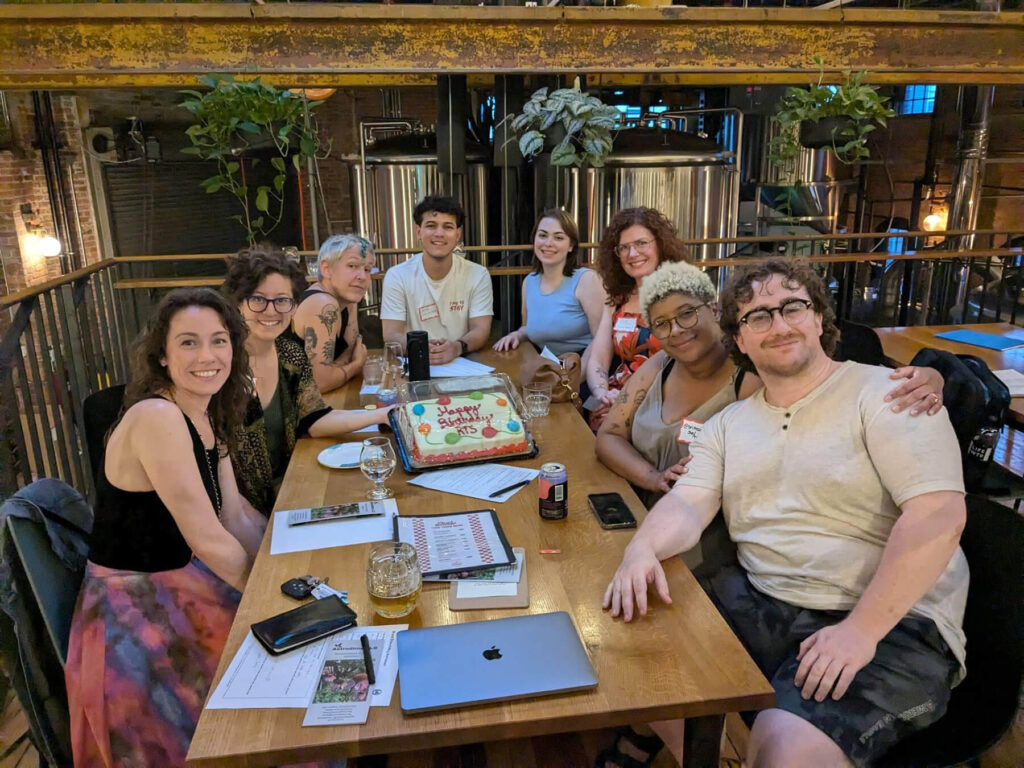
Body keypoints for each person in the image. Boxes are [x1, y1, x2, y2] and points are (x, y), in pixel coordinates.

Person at [603, 259, 968, 768]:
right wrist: (641, 548)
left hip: (892, 619)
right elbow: (687, 502)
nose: (777, 325)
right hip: (766, 599)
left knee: (783, 749)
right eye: (757, 317)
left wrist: (861, 630)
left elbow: (938, 516)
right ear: (740, 340)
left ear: (818, 318)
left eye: (791, 307)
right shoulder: (728, 424)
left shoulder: (890, 394)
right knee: (623, 635)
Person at [65, 288, 265, 767]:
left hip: (180, 584)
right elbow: (210, 539)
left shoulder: (203, 413)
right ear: (162, 354)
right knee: (266, 689)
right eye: (189, 343)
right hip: (136, 615)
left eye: (219, 341)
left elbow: (235, 515)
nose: (208, 356)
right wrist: (267, 601)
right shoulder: (157, 416)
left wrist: (286, 561)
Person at [596, 261, 945, 511]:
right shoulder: (659, 366)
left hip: (708, 529)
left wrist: (932, 376)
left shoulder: (755, 375)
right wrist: (652, 477)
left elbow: (819, 384)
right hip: (638, 509)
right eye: (661, 324)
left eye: (687, 314)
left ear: (714, 310)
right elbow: (609, 435)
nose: (676, 330)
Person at [222, 246, 392, 516]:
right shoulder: (221, 366)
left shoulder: (289, 355)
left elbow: (314, 419)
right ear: (238, 302)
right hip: (237, 512)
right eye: (258, 300)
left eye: (282, 300)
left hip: (289, 494)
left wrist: (384, 414)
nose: (271, 310)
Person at [585, 207, 689, 429]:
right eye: (624, 247)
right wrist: (603, 392)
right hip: (615, 402)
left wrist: (630, 403)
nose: (632, 254)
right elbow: (598, 361)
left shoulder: (685, 298)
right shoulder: (617, 301)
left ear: (660, 244)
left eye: (641, 243)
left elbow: (692, 367)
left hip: (663, 407)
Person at [380, 195, 493, 365]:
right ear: (419, 232)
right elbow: (391, 335)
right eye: (431, 226)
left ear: (457, 234)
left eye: (447, 227)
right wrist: (421, 348)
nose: (439, 234)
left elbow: (481, 329)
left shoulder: (478, 274)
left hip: (462, 362)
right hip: (413, 364)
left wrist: (456, 347)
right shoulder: (397, 276)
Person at [493, 208, 607, 367]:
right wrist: (517, 335)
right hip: (548, 365)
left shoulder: (587, 280)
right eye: (543, 235)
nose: (548, 243)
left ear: (571, 246)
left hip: (586, 365)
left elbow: (602, 340)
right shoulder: (529, 282)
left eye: (558, 237)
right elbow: (529, 328)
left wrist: (574, 377)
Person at [291, 233, 374, 393]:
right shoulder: (322, 303)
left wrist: (336, 370)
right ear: (326, 269)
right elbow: (320, 383)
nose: (362, 276)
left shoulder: (348, 298)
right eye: (352, 266)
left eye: (367, 269)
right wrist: (355, 366)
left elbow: (350, 353)